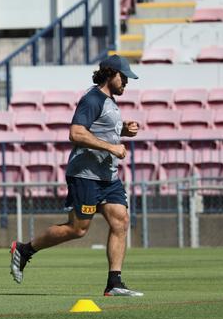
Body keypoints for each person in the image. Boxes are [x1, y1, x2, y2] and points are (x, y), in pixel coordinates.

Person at [10, 54, 144, 297]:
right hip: (85, 175)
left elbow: (100, 129)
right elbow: (76, 133)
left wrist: (123, 129)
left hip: (107, 176)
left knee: (120, 220)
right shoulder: (93, 98)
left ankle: (114, 283)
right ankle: (25, 249)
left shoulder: (109, 101)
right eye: (123, 77)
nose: (127, 82)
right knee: (78, 229)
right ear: (110, 74)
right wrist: (112, 147)